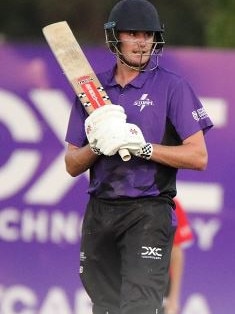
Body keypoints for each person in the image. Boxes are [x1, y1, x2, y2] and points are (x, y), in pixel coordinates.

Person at [64, 0, 213, 313]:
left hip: (148, 210)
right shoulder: (93, 91)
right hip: (100, 212)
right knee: (105, 307)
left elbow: (198, 156)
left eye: (148, 34)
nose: (141, 42)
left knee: (139, 308)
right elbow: (71, 164)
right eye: (133, 33)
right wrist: (99, 145)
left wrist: (143, 147)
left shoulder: (172, 87)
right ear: (115, 37)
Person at [163, 199, 194, 314]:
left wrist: (173, 299)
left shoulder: (170, 203)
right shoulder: (114, 199)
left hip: (161, 284)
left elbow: (176, 253)